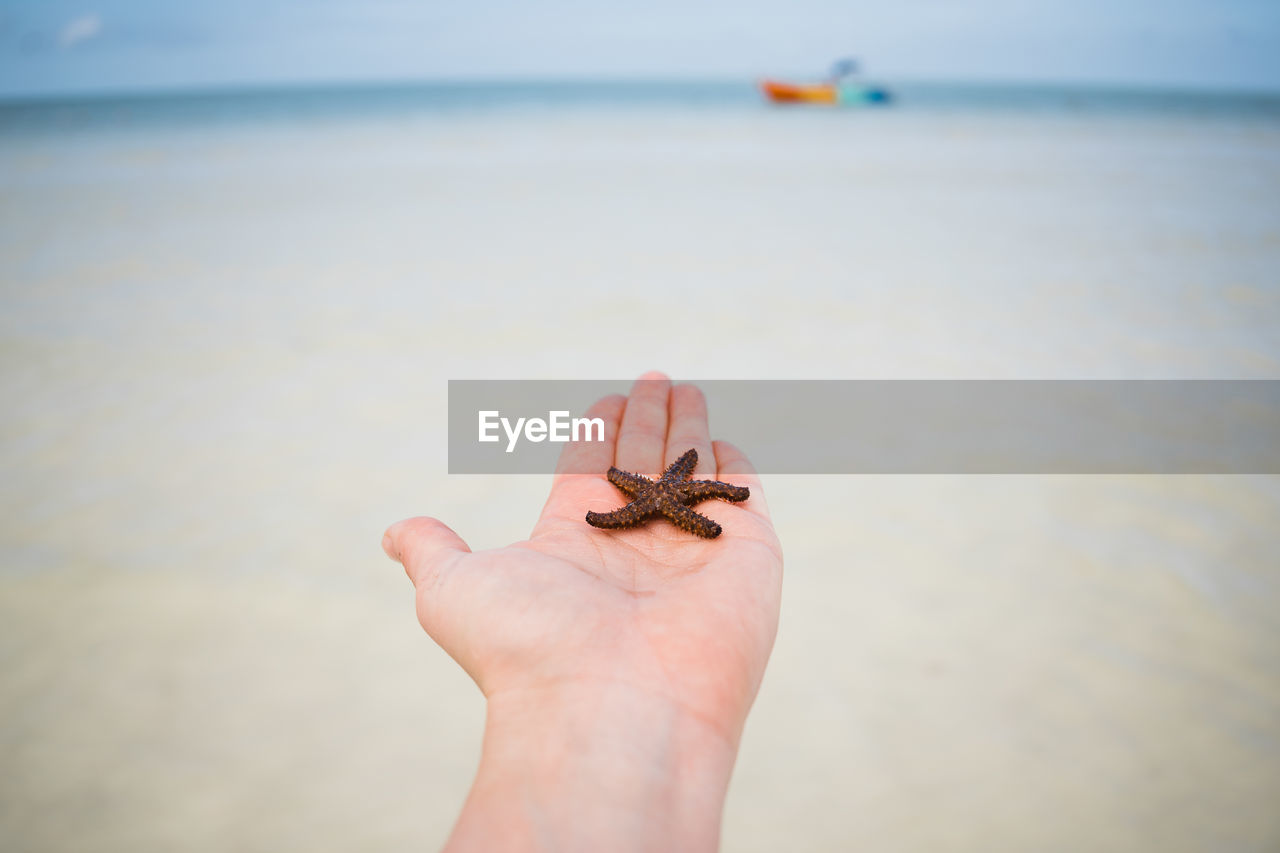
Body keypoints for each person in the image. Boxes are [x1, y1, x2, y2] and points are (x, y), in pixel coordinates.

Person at [382, 372, 783, 852]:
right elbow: (643, 499)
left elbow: (665, 494)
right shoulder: (664, 492)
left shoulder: (662, 492)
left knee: (697, 494)